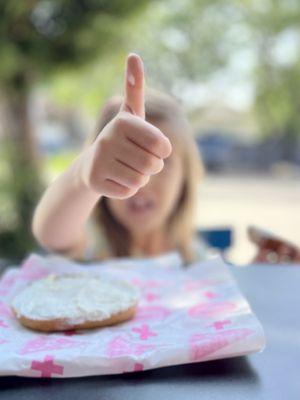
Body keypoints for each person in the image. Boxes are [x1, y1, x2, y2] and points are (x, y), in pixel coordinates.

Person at [31, 53, 207, 266]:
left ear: (185, 177)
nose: (140, 179)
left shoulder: (194, 256)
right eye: (121, 163)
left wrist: (256, 268)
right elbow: (51, 234)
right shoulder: (93, 244)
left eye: (160, 161)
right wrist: (81, 176)